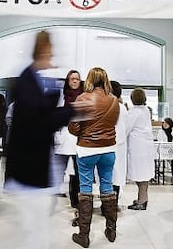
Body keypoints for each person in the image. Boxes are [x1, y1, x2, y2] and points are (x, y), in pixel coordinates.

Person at [5, 31, 75, 249]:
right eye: (50, 49)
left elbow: (40, 115)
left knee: (36, 228)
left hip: (36, 164)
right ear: (43, 49)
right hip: (30, 168)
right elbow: (40, 122)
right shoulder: (27, 82)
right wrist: (72, 111)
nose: (53, 55)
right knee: (35, 231)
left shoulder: (32, 79)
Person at [69, 67, 120, 248]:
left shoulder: (82, 99)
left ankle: (84, 235)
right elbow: (114, 123)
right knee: (107, 186)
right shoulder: (114, 100)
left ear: (89, 79)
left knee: (85, 188)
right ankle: (111, 230)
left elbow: (74, 128)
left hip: (87, 150)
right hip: (108, 150)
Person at [53, 70, 83, 226]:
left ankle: (76, 202)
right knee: (58, 169)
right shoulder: (61, 95)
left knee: (77, 172)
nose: (75, 81)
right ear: (68, 81)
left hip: (78, 138)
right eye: (72, 79)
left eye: (77, 79)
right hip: (63, 136)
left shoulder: (84, 96)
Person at [126, 88, 155, 211]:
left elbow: (126, 129)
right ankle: (142, 198)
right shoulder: (146, 110)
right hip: (146, 147)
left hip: (138, 148)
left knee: (140, 176)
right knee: (144, 175)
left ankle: (142, 201)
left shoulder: (134, 112)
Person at [110, 81, 128, 212]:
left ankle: (108, 206)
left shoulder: (108, 105)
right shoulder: (123, 107)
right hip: (120, 145)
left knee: (109, 176)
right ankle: (113, 205)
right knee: (117, 177)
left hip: (109, 145)